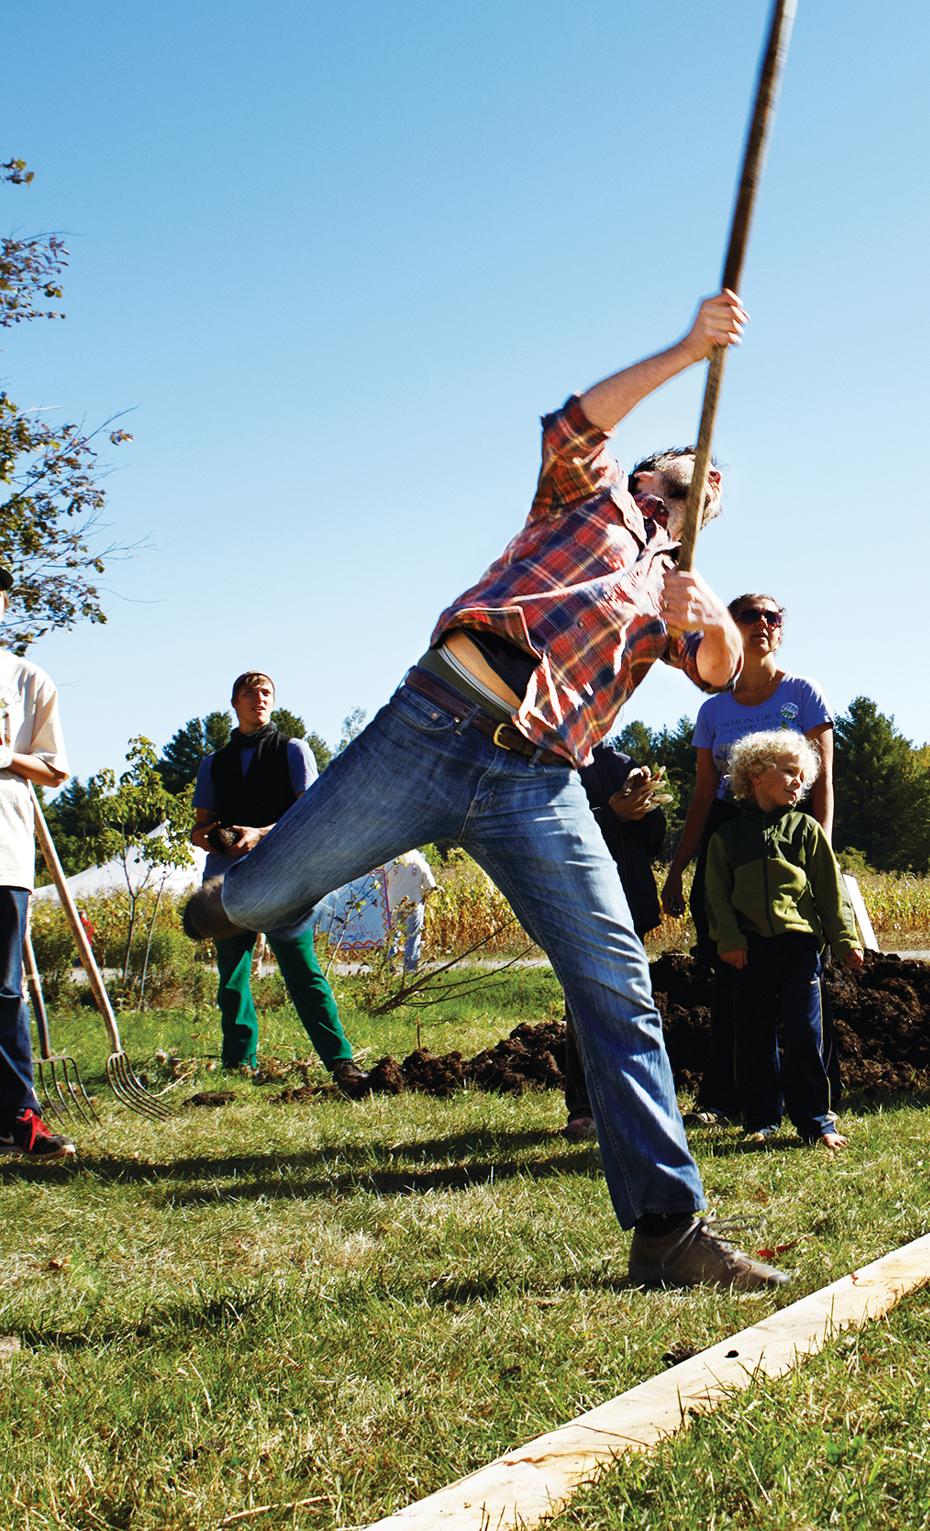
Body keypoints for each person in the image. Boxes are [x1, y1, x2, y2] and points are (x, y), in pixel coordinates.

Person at [186, 290, 790, 1291]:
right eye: (696, 476)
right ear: (653, 475)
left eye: (719, 492)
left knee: (616, 985)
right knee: (257, 899)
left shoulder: (681, 590)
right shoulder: (587, 501)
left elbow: (722, 671)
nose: (713, 486)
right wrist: (691, 348)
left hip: (539, 784)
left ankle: (668, 1232)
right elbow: (575, 423)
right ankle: (231, 900)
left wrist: (709, 612)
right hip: (430, 728)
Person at [662, 592, 834, 1125]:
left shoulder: (803, 694)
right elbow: (700, 795)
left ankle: (813, 1104)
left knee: (802, 981)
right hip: (727, 846)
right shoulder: (713, 709)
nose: (762, 623)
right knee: (730, 980)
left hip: (790, 844)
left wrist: (817, 849)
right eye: (749, 616)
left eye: (772, 617)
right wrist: (676, 869)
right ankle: (726, 1100)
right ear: (730, 629)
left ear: (780, 631)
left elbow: (822, 780)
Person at [190, 671, 366, 1092]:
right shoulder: (214, 763)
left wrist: (258, 834)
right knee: (231, 977)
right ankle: (237, 1063)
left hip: (282, 879)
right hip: (225, 882)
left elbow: (313, 813)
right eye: (250, 693)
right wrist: (214, 837)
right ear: (234, 703)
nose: (259, 699)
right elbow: (197, 830)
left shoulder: (292, 750)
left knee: (302, 972)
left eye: (266, 693)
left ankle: (341, 1063)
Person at [705, 729, 863, 1148]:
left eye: (802, 775)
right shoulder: (728, 837)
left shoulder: (805, 830)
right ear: (755, 774)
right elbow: (716, 896)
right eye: (789, 772)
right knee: (752, 1037)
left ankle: (816, 1123)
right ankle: (760, 1121)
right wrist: (730, 938)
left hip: (798, 949)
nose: (798, 782)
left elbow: (831, 891)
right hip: (748, 951)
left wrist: (846, 940)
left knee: (806, 1036)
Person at [0, 569, 75, 1159]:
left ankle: (21, 1114)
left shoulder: (27, 679)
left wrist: (6, 754)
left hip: (4, 853)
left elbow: (55, 768)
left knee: (3, 990)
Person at [561, 741, 668, 1140]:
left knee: (633, 1003)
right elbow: (556, 829)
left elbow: (653, 841)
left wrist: (644, 803)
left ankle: (634, 1102)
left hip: (629, 901)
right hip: (578, 899)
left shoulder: (622, 763)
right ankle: (585, 1108)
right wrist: (611, 814)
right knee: (583, 1005)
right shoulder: (554, 762)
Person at [384, 849, 439, 970]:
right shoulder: (420, 864)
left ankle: (389, 968)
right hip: (414, 904)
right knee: (413, 937)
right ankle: (410, 969)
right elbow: (431, 886)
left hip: (392, 904)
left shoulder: (390, 864)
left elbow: (383, 883)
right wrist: (425, 897)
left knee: (392, 937)